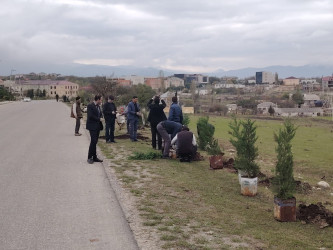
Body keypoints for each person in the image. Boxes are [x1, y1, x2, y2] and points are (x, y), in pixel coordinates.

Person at [86, 95, 103, 164]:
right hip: (92, 126)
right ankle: (89, 157)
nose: (101, 101)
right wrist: (99, 119)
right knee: (93, 141)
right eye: (101, 100)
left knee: (95, 142)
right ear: (98, 99)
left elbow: (99, 114)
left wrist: (101, 117)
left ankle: (95, 157)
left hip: (97, 126)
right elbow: (90, 116)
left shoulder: (98, 106)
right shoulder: (90, 106)